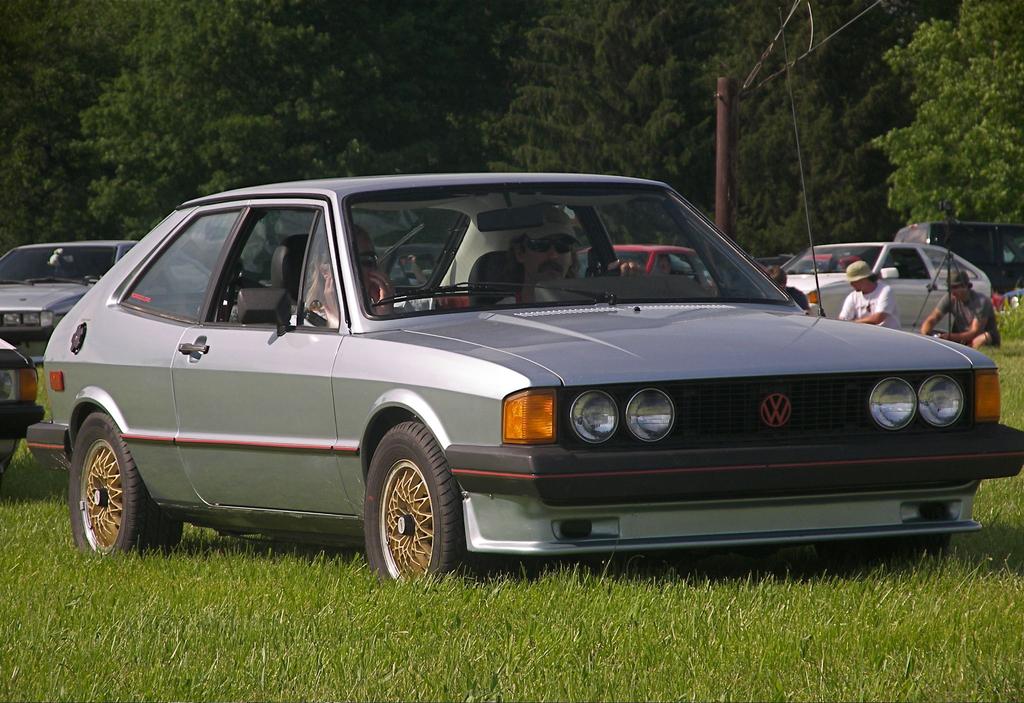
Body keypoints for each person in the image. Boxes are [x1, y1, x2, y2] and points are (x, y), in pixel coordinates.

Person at [920, 270, 1000, 348]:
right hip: (961, 336)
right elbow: (933, 318)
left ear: (966, 286)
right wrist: (925, 333)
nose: (952, 291)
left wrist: (950, 337)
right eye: (950, 288)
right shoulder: (950, 298)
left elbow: (975, 331)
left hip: (983, 335)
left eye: (955, 287)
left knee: (980, 339)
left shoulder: (981, 301)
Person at [837, 260, 901, 329]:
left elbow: (878, 318)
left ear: (865, 279)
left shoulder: (885, 290)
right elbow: (843, 320)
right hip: (865, 334)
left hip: (887, 334)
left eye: (854, 281)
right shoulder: (852, 296)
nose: (851, 284)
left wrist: (853, 323)